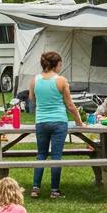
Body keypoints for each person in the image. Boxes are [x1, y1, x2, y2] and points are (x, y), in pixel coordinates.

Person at [28, 51, 83, 199]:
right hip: (59, 121)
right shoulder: (61, 81)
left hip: (41, 121)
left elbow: (32, 99)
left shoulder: (34, 80)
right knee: (56, 156)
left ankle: (35, 188)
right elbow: (70, 105)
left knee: (41, 154)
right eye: (60, 64)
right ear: (56, 64)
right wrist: (79, 121)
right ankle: (54, 190)